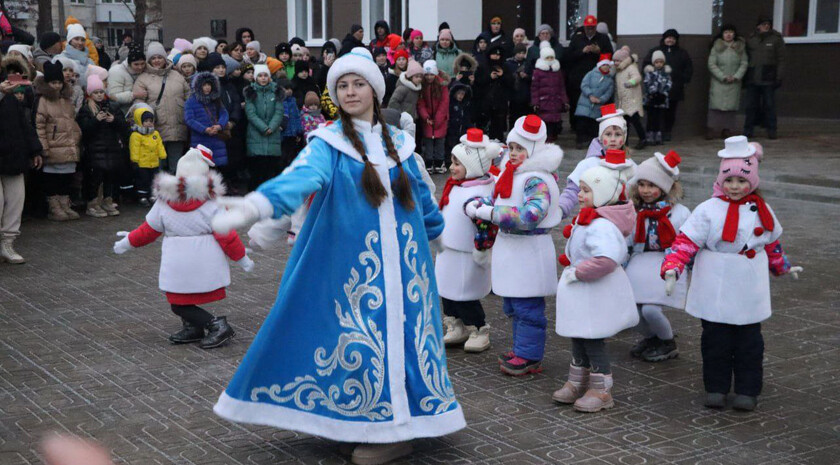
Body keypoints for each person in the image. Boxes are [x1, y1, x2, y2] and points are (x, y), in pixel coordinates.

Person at [210, 47, 465, 464]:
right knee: (356, 344)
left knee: (403, 343)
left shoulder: (401, 144)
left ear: (375, 91)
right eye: (342, 85)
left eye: (358, 83)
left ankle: (397, 431)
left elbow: (423, 202)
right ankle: (364, 422)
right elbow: (300, 178)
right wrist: (257, 205)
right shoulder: (326, 144)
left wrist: (444, 244)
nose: (350, 91)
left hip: (406, 271)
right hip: (353, 273)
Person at [662, 137, 802, 411]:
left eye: (741, 180)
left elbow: (772, 242)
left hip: (748, 280)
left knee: (750, 340)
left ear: (752, 181)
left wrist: (781, 265)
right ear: (720, 180)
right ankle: (716, 387)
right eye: (729, 180)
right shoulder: (707, 209)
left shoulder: (762, 210)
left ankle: (748, 389)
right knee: (715, 339)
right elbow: (686, 241)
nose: (735, 186)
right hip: (715, 279)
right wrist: (672, 267)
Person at [113, 145, 252, 349]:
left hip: (178, 260)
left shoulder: (163, 201)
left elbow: (149, 230)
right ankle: (197, 327)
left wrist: (128, 242)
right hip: (205, 258)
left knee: (178, 301)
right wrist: (241, 258)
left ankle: (216, 325)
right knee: (180, 301)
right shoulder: (212, 203)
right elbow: (227, 236)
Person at [465, 115, 563, 376]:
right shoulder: (513, 173)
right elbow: (496, 196)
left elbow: (531, 215)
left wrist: (489, 212)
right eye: (513, 147)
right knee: (512, 304)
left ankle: (529, 355)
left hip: (529, 250)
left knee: (527, 307)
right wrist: (478, 203)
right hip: (512, 248)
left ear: (533, 150)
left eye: (521, 148)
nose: (515, 153)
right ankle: (521, 348)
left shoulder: (536, 179)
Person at [554, 149, 638, 413]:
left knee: (592, 338)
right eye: (580, 189)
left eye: (587, 190)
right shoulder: (589, 218)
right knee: (578, 335)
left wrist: (579, 272)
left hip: (593, 288)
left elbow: (607, 259)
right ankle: (577, 381)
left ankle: (602, 389)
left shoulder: (602, 225)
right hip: (582, 290)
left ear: (602, 194)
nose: (580, 195)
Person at [437, 129, 500, 353]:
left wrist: (483, 246)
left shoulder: (476, 192)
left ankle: (478, 327)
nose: (452, 167)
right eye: (452, 161)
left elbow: (484, 222)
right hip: (448, 249)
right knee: (446, 290)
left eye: (458, 163)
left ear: (472, 167)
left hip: (465, 252)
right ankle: (455, 324)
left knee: (465, 294)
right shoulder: (457, 185)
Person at [626, 151, 690, 362]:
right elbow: (627, 238)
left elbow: (689, 240)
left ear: (664, 188)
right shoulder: (635, 211)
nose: (646, 190)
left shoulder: (679, 213)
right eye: (642, 184)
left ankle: (667, 341)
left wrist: (688, 265)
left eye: (652, 185)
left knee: (651, 309)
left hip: (666, 263)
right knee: (632, 309)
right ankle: (651, 337)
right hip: (639, 262)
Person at [560, 104, 635, 220]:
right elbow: (573, 190)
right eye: (608, 134)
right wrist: (561, 208)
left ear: (624, 138)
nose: (613, 139)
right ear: (601, 136)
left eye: (618, 134)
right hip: (593, 218)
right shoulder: (589, 164)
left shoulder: (630, 165)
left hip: (622, 220)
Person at [0, 60, 42, 263]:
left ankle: (7, 244)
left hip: (12, 155)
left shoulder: (10, 95)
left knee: (16, 200)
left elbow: (24, 123)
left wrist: (34, 149)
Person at [35, 61, 82, 221]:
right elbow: (40, 125)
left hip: (67, 144)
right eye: (53, 82)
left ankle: (64, 203)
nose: (57, 86)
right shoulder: (43, 100)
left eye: (59, 82)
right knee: (52, 178)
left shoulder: (67, 99)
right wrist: (44, 147)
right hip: (53, 144)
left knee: (66, 176)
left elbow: (72, 120)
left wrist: (76, 137)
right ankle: (54, 206)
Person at [133, 42, 191, 170]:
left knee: (176, 167)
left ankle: (176, 189)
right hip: (155, 130)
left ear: (165, 58)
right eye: (153, 58)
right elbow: (138, 104)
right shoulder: (143, 79)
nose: (157, 60)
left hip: (178, 127)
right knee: (158, 167)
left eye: (159, 57)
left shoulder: (177, 75)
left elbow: (189, 97)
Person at [77, 74, 129, 217]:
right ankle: (93, 203)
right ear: (90, 93)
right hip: (94, 149)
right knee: (95, 178)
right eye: (96, 92)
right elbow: (84, 129)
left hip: (111, 147)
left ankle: (107, 200)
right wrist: (96, 120)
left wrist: (114, 121)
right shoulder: (86, 109)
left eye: (101, 92)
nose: (99, 95)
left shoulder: (112, 106)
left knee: (109, 176)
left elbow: (124, 127)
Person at [565, 15, 614, 132]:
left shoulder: (603, 38)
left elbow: (609, 56)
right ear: (584, 27)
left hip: (598, 78)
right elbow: (568, 56)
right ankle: (576, 128)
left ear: (595, 27)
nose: (590, 30)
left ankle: (597, 129)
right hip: (579, 76)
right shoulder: (577, 38)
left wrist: (599, 52)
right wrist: (582, 51)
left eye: (592, 28)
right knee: (577, 102)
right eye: (588, 28)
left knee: (598, 104)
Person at [642, 29, 692, 141]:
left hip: (674, 88)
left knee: (671, 112)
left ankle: (667, 132)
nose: (670, 40)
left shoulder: (682, 53)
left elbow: (688, 68)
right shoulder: (655, 51)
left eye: (673, 38)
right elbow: (645, 65)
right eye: (668, 38)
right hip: (656, 90)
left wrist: (684, 80)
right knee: (655, 113)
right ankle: (654, 133)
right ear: (664, 38)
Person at [244, 65, 287, 191]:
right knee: (257, 172)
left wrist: (272, 127)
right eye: (260, 75)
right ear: (256, 78)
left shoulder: (276, 91)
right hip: (255, 135)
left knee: (270, 171)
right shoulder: (250, 92)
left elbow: (279, 112)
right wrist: (264, 128)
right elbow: (251, 113)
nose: (263, 78)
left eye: (265, 75)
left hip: (273, 136)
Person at [744, 15, 784, 139]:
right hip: (753, 77)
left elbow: (781, 59)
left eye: (768, 24)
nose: (766, 26)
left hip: (769, 77)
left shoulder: (776, 39)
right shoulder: (751, 39)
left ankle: (772, 130)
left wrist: (779, 76)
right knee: (751, 106)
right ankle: (748, 130)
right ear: (758, 26)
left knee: (769, 105)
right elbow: (745, 56)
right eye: (764, 24)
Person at [707, 25, 747, 139]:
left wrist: (736, 76)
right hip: (718, 82)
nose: (728, 35)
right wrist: (722, 76)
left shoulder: (740, 48)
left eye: (731, 32)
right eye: (726, 32)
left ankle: (727, 129)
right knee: (715, 106)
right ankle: (712, 129)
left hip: (734, 82)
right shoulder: (716, 47)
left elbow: (744, 63)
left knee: (731, 108)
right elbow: (711, 64)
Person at [184, 71, 230, 173]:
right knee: (201, 168)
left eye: (209, 84)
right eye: (204, 85)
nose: (207, 87)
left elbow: (224, 113)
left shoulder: (216, 99)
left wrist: (219, 125)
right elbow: (189, 119)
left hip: (216, 138)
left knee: (217, 169)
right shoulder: (191, 102)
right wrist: (205, 129)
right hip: (200, 139)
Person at [531, 41, 568, 143]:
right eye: (548, 58)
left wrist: (564, 101)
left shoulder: (557, 71)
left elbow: (561, 87)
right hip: (544, 102)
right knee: (545, 123)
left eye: (552, 57)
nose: (550, 60)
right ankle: (545, 140)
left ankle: (553, 138)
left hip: (555, 101)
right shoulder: (538, 72)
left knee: (555, 122)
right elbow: (534, 88)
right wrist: (535, 102)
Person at [575, 54, 615, 148]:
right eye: (604, 65)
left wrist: (600, 99)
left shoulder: (609, 80)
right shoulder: (591, 74)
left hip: (597, 106)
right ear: (600, 65)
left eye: (607, 66)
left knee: (593, 125)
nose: (606, 67)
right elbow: (584, 85)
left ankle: (591, 142)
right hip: (585, 104)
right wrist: (590, 95)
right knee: (582, 123)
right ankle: (580, 141)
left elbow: (608, 93)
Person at [129, 106, 166, 205]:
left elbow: (159, 145)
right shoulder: (136, 135)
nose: (149, 123)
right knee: (143, 180)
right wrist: (135, 160)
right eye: (146, 121)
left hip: (154, 162)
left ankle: (152, 195)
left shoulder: (155, 134)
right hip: (142, 163)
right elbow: (134, 149)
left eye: (150, 121)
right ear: (140, 121)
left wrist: (162, 155)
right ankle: (142, 196)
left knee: (153, 179)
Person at [417, 60, 449, 174]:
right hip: (427, 120)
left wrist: (438, 119)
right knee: (428, 142)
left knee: (440, 141)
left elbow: (444, 103)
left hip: (440, 119)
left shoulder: (442, 86)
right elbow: (421, 103)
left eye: (431, 74)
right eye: (427, 74)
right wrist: (426, 117)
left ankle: (440, 162)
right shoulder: (422, 86)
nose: (429, 77)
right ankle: (429, 162)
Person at [612, 46, 647, 149]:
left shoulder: (631, 67)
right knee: (625, 123)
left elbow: (637, 77)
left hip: (632, 100)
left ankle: (643, 138)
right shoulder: (619, 70)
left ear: (623, 60)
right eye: (614, 61)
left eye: (618, 60)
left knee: (635, 121)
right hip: (624, 102)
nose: (615, 63)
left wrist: (630, 82)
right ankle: (624, 142)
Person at [484, 44, 513, 141]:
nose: (496, 57)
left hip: (501, 103)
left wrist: (502, 76)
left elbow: (511, 83)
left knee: (500, 128)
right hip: (487, 103)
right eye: (494, 54)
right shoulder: (485, 66)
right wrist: (489, 78)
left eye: (498, 55)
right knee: (487, 127)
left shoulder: (505, 67)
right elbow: (479, 83)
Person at [643, 51, 672, 146]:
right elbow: (647, 83)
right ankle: (650, 135)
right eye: (657, 62)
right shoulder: (650, 73)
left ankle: (658, 135)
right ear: (653, 63)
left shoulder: (666, 73)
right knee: (651, 118)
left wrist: (663, 94)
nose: (659, 64)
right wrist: (653, 93)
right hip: (651, 100)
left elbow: (669, 84)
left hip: (662, 100)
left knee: (660, 118)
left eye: (661, 62)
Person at [108, 45, 146, 116]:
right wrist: (133, 95)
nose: (140, 67)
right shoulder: (116, 71)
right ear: (129, 63)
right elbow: (113, 96)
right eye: (136, 64)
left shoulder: (145, 70)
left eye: (142, 64)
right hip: (121, 114)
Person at [446, 82, 473, 159]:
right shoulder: (451, 104)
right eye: (459, 94)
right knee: (451, 146)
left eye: (463, 94)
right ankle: (449, 160)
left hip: (462, 130)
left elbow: (467, 118)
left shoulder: (465, 105)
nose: (461, 96)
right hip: (452, 130)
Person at [506, 43, 531, 128]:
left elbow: (532, 77)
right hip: (513, 95)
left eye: (523, 53)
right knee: (513, 116)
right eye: (519, 53)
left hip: (525, 95)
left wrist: (526, 76)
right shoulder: (509, 63)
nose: (521, 55)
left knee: (524, 117)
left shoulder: (527, 63)